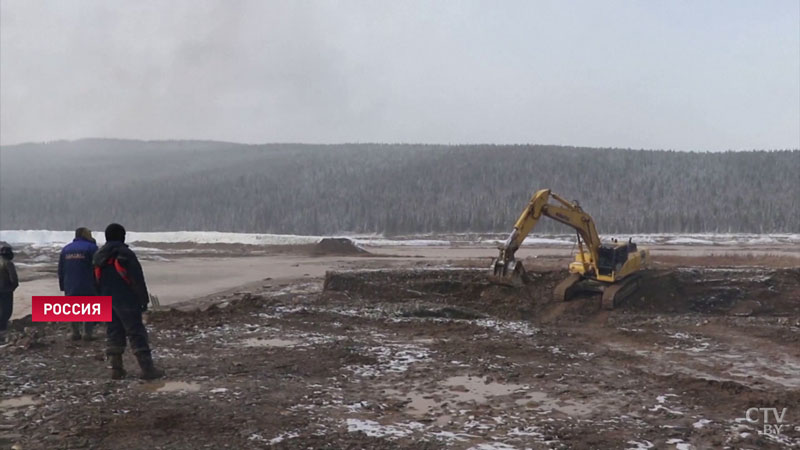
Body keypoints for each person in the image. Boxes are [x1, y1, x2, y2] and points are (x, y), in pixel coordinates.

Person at [93, 223, 164, 380]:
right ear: (122, 236)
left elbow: (95, 280)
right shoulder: (125, 254)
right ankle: (147, 369)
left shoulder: (99, 256)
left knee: (113, 332)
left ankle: (116, 369)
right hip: (126, 299)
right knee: (136, 332)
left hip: (106, 299)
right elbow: (137, 279)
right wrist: (143, 300)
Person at [58, 227, 99, 341]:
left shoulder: (66, 249)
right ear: (85, 234)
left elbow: (61, 269)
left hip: (70, 283)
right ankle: (87, 333)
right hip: (88, 282)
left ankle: (75, 332)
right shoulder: (92, 248)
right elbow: (98, 266)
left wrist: (62, 285)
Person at [0, 245, 19, 344]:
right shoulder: (8, 264)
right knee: (6, 311)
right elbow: (14, 279)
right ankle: (2, 332)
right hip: (6, 291)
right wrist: (12, 288)